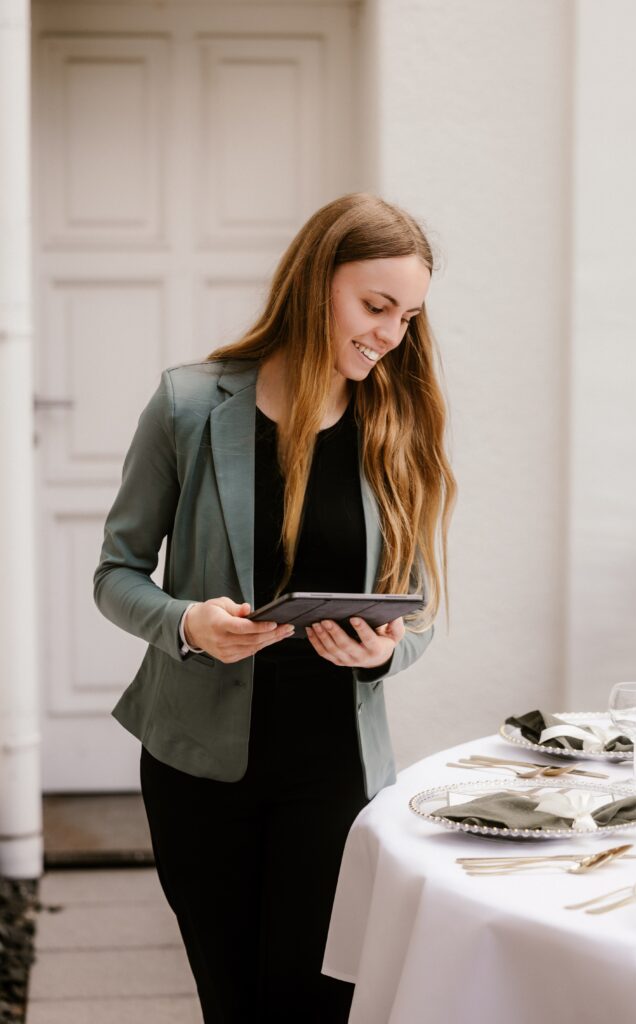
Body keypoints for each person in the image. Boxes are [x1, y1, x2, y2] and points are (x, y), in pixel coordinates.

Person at [93, 192, 456, 1023]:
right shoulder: (187, 406)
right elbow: (116, 573)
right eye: (374, 306)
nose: (390, 335)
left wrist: (385, 651)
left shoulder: (394, 419)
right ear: (313, 283)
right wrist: (186, 624)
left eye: (406, 315)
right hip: (199, 772)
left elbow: (420, 606)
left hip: (336, 775)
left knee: (317, 1005)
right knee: (233, 1005)